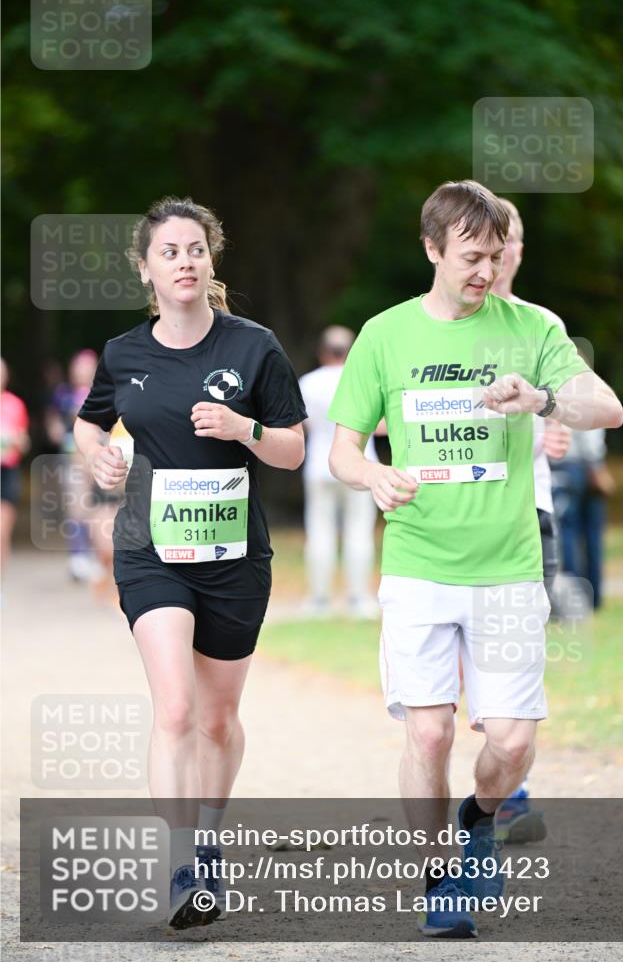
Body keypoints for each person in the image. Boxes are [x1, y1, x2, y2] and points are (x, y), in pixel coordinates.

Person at [328, 180, 623, 938]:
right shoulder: (385, 334)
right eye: (470, 258)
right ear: (432, 249)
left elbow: (607, 407)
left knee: (512, 742)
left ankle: (480, 815)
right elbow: (342, 451)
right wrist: (374, 476)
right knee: (428, 733)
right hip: (419, 563)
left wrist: (541, 400)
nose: (486, 271)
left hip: (508, 568)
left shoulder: (531, 328)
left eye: (495, 256)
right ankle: (438, 879)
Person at [73, 196, 306, 929]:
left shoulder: (253, 347)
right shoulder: (124, 353)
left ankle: (207, 838)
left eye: (195, 250)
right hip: (151, 553)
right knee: (174, 707)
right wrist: (100, 458)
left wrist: (245, 428)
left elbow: (293, 450)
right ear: (145, 268)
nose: (184, 262)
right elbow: (88, 425)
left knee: (217, 718)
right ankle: (180, 866)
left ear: (211, 260)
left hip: (234, 557)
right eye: (169, 252)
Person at [490, 198, 571, 842]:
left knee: (517, 658)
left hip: (530, 511)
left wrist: (557, 422)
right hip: (453, 520)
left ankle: (510, 795)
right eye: (493, 241)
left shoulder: (541, 325)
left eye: (512, 238)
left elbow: (570, 402)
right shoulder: (429, 325)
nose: (504, 251)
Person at [299, 326, 380, 618]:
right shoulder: (361, 380)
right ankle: (359, 599)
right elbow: (380, 425)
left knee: (319, 531)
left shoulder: (308, 382)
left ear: (322, 352)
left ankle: (319, 600)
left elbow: (303, 425)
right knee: (359, 530)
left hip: (320, 464)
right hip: (359, 464)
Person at [45, 349, 99, 582]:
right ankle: (78, 557)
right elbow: (52, 418)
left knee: (97, 508)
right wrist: (54, 428)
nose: (81, 372)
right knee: (76, 506)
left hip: (96, 458)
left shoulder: (102, 393)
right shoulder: (63, 394)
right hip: (71, 458)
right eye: (78, 367)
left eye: (86, 368)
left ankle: (97, 555)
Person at [550, 427, 615, 609]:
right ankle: (593, 598)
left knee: (569, 536)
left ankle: (577, 600)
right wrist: (596, 465)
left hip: (571, 465)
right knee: (590, 537)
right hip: (583, 465)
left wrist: (595, 465)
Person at [1, 358, 30, 564]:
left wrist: (17, 441)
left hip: (7, 471)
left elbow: (24, 442)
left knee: (2, 531)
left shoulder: (15, 404)